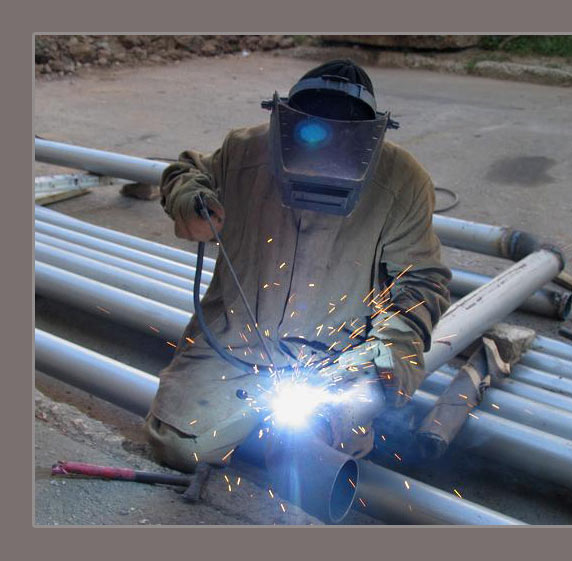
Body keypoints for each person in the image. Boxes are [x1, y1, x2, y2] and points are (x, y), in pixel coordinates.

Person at [144, 59, 451, 473]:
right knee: (180, 447)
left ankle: (307, 430)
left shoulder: (403, 180)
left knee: (305, 458)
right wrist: (190, 199)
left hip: (336, 359)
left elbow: (420, 285)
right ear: (283, 121)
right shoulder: (245, 150)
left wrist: (385, 354)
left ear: (369, 139)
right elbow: (185, 171)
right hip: (237, 344)